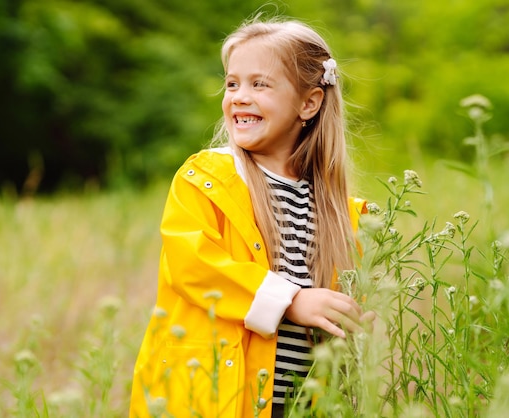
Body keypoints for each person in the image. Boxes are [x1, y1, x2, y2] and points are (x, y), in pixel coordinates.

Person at [130, 16, 372, 418]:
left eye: (259, 84)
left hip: (300, 403)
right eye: (232, 83)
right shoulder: (207, 179)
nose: (239, 96)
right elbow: (194, 265)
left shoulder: (340, 211)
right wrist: (291, 300)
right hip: (218, 399)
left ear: (309, 103)